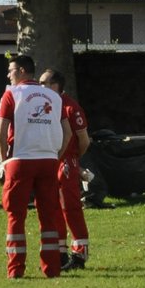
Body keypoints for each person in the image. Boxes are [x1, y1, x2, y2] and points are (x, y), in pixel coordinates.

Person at [0, 55, 71, 279]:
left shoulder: (11, 94)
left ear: (20, 71)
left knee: (15, 215)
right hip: (48, 160)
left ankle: (16, 269)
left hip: (20, 160)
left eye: (10, 70)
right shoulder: (54, 97)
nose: (8, 75)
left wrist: (3, 162)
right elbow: (67, 134)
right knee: (49, 215)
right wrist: (55, 155)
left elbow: (0, 134)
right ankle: (52, 268)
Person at [39, 69, 92, 270]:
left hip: (65, 162)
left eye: (43, 82)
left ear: (55, 85)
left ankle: (79, 255)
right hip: (48, 160)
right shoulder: (44, 105)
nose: (39, 85)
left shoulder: (70, 107)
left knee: (70, 208)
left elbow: (84, 140)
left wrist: (73, 160)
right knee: (52, 209)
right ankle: (59, 252)